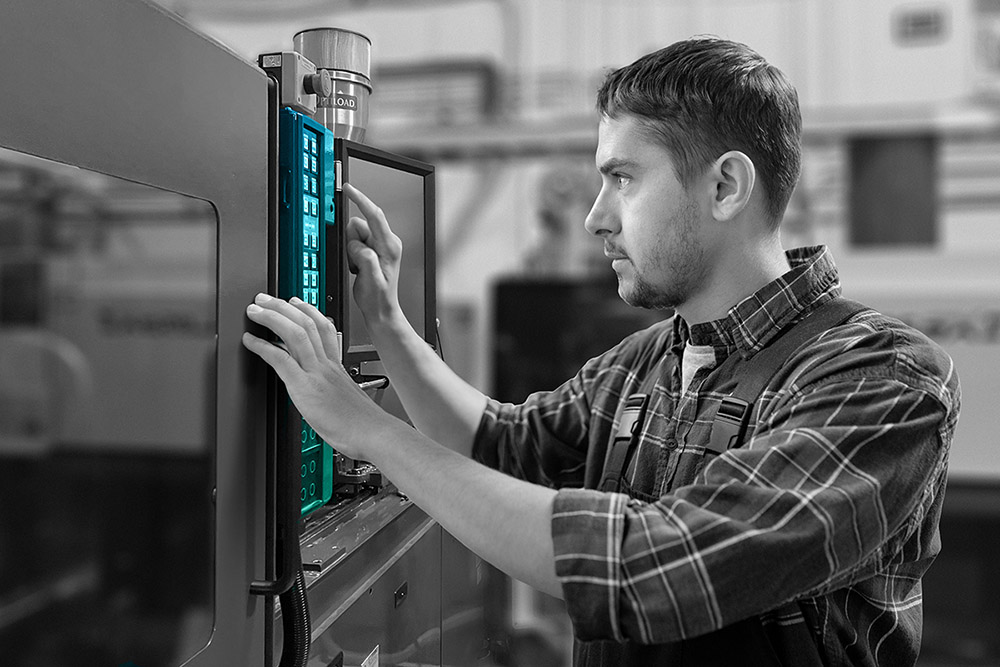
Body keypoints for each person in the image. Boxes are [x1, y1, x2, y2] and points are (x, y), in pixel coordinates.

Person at [243, 37, 960, 666]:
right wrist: (387, 322)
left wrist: (365, 427)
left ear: (725, 186)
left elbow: (655, 569)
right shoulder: (645, 362)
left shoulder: (881, 375)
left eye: (622, 178)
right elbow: (499, 444)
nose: (595, 216)